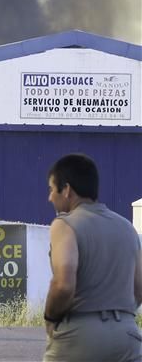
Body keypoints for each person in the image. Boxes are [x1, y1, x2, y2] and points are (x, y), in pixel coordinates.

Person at [42, 153, 142, 362]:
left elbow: (63, 284)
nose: (50, 197)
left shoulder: (65, 225)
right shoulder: (127, 228)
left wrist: (50, 318)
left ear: (67, 190)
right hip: (127, 335)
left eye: (52, 189)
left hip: (80, 337)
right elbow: (139, 287)